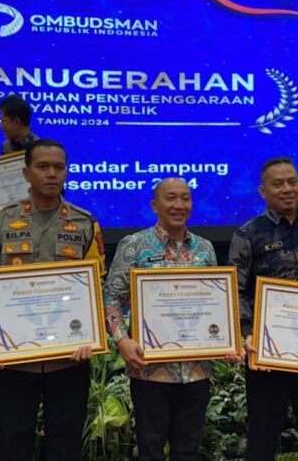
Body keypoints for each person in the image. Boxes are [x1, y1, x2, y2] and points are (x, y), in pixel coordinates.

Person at [0, 139, 105, 460]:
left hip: (69, 357)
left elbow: (97, 286)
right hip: (13, 358)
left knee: (65, 445)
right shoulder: (0, 222)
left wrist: (92, 335)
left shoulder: (85, 223)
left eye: (59, 167)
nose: (52, 173)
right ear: (26, 173)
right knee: (13, 444)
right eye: (43, 167)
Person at [103, 178, 244, 460]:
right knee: (150, 450)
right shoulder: (134, 245)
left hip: (196, 371)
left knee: (188, 451)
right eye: (171, 198)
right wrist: (121, 339)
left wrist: (227, 343)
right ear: (155, 205)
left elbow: (215, 303)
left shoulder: (204, 248)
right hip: (149, 369)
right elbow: (111, 298)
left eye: (185, 198)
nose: (179, 205)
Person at [228, 157, 298, 461]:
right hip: (267, 352)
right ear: (262, 191)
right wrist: (247, 333)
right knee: (263, 435)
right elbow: (237, 290)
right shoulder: (247, 234)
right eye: (278, 184)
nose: (287, 189)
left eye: (292, 181)